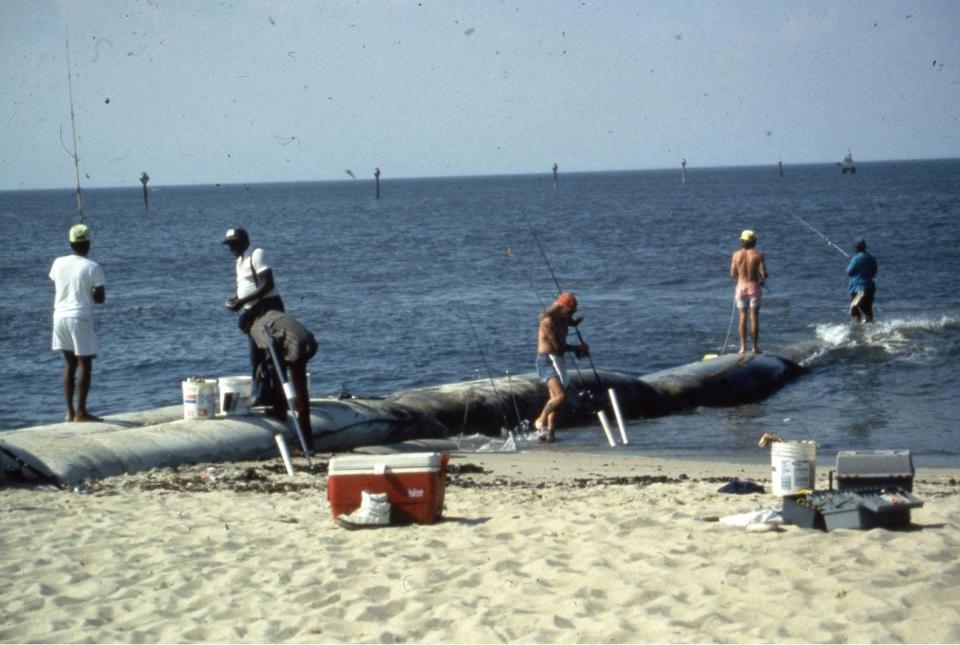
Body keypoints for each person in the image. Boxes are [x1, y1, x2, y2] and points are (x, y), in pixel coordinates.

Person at [49, 224, 106, 422]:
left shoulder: (57, 263)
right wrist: (90, 292)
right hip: (79, 317)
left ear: (71, 243)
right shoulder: (92, 267)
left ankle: (69, 412)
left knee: (70, 364)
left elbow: (57, 281)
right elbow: (100, 298)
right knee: (85, 364)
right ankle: (81, 411)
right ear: (88, 244)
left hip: (59, 317)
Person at [222, 228, 285, 404]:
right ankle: (261, 393)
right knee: (255, 355)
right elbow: (248, 287)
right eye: (230, 244)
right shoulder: (239, 261)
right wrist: (237, 300)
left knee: (271, 353)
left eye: (235, 243)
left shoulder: (256, 255)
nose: (232, 248)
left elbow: (267, 284)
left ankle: (279, 397)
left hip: (268, 309)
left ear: (245, 242)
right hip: (252, 312)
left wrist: (242, 302)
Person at [248, 310, 318, 450]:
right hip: (310, 342)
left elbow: (270, 345)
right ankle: (280, 410)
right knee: (279, 373)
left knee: (299, 396)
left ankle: (306, 443)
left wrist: (265, 364)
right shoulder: (272, 314)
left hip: (295, 348)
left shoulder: (255, 329)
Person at [533, 292, 589, 443]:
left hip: (558, 360)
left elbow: (569, 323)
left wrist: (576, 322)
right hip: (546, 360)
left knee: (555, 400)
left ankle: (550, 433)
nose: (572, 314)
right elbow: (558, 346)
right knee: (560, 396)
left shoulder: (564, 317)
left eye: (574, 311)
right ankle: (540, 420)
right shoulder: (548, 322)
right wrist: (578, 348)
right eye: (570, 311)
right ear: (561, 307)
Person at [729, 229, 768, 354]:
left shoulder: (736, 255)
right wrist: (761, 278)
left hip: (740, 287)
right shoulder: (758, 254)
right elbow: (764, 274)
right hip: (754, 287)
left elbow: (732, 273)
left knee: (742, 317)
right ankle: (755, 347)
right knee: (754, 317)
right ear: (754, 241)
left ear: (742, 241)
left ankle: (742, 348)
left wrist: (740, 280)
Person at [846, 238, 878, 323]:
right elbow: (874, 272)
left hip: (859, 289)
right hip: (870, 287)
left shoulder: (856, 259)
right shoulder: (872, 258)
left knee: (854, 309)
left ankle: (857, 330)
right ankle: (870, 327)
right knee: (867, 309)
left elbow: (848, 272)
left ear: (856, 247)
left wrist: (852, 262)